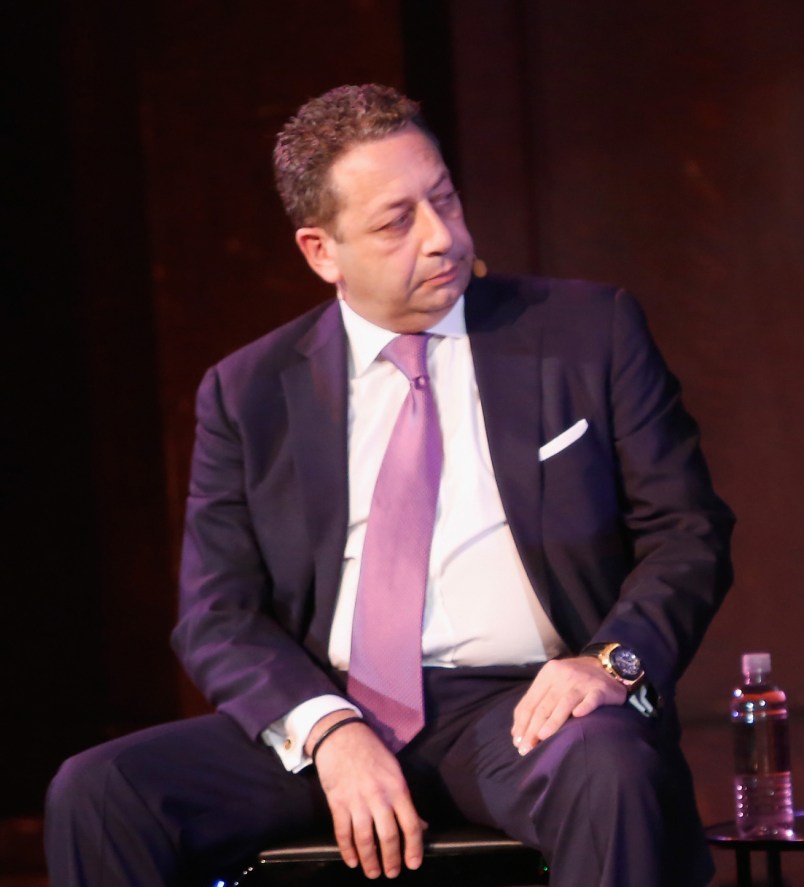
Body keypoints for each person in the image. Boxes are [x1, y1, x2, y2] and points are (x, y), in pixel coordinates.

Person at [45, 83, 734, 887]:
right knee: (99, 791)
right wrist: (330, 729)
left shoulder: (588, 332)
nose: (442, 237)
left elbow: (687, 532)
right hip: (334, 712)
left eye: (443, 197)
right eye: (396, 221)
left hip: (525, 709)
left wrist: (609, 662)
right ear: (320, 251)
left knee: (610, 767)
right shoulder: (250, 391)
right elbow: (215, 611)